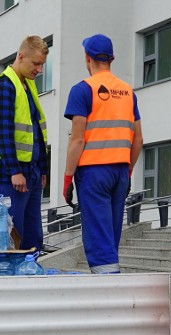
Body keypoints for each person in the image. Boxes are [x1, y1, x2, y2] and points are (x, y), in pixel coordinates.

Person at [62, 34, 143, 274]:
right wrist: (127, 171)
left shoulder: (82, 90)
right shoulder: (128, 92)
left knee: (98, 237)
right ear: (112, 59)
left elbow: (77, 140)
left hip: (93, 172)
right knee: (110, 235)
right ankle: (111, 282)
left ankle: (110, 291)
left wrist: (68, 178)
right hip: (120, 171)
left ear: (87, 58)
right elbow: (138, 139)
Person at [0, 35, 49, 251]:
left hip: (31, 173)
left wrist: (42, 169)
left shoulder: (27, 85)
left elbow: (35, 131)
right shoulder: (4, 86)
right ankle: (11, 280)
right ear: (20, 56)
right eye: (36, 64)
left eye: (42, 64)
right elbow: (3, 132)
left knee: (33, 236)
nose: (39, 70)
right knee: (11, 235)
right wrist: (14, 170)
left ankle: (31, 276)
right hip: (9, 175)